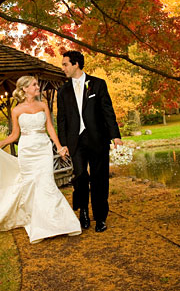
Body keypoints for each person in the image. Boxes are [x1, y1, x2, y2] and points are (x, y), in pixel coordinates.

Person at [0, 76, 81, 244]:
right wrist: (1, 143)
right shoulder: (16, 110)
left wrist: (59, 146)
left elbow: (50, 127)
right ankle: (39, 226)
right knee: (31, 187)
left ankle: (62, 224)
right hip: (27, 151)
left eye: (37, 84)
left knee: (47, 184)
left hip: (43, 149)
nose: (37, 87)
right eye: (34, 84)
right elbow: (15, 135)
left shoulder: (43, 106)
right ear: (25, 88)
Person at [57, 50, 122, 233]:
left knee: (99, 179)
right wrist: (63, 144)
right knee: (80, 178)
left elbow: (108, 111)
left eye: (65, 64)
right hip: (75, 142)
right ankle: (83, 212)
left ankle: (100, 217)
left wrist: (115, 135)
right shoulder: (62, 91)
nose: (63, 68)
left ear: (76, 64)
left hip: (97, 139)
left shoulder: (98, 84)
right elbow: (61, 120)